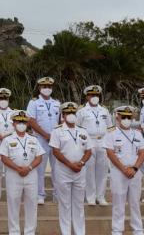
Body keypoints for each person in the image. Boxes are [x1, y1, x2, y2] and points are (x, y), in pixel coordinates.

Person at [0, 110, 45, 235]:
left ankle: (30, 232)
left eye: (24, 122)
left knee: (32, 204)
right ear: (13, 123)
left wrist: (28, 168)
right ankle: (14, 232)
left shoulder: (33, 139)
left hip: (31, 175)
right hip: (13, 175)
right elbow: (4, 157)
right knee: (13, 204)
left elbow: (39, 157)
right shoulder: (7, 139)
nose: (21, 124)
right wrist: (18, 168)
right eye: (19, 121)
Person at [49, 101, 92, 235]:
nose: (71, 115)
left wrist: (82, 163)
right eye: (68, 113)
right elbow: (55, 151)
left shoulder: (83, 131)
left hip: (80, 171)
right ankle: (66, 232)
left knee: (79, 204)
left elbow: (89, 150)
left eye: (73, 112)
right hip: (63, 171)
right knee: (65, 205)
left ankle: (80, 232)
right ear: (63, 115)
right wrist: (70, 164)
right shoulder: (57, 131)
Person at [104, 106, 144, 235]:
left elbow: (142, 153)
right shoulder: (111, 133)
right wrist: (124, 169)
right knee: (118, 202)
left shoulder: (137, 134)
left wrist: (134, 168)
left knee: (135, 202)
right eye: (124, 117)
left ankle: (138, 229)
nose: (126, 119)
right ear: (117, 117)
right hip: (118, 172)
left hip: (135, 172)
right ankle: (117, 230)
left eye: (129, 117)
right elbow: (110, 153)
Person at [25, 76, 61, 204]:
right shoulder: (33, 102)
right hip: (40, 139)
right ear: (40, 88)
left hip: (56, 140)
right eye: (44, 87)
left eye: (49, 87)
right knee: (40, 168)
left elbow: (61, 121)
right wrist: (45, 135)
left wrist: (56, 136)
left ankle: (58, 194)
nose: (47, 89)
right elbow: (31, 121)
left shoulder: (57, 103)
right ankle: (40, 194)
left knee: (58, 169)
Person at [77, 84, 112, 205]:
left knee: (102, 171)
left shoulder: (105, 110)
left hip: (103, 141)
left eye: (97, 95)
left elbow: (110, 127)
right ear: (87, 97)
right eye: (92, 95)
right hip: (89, 141)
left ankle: (100, 196)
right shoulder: (81, 111)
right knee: (89, 171)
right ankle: (91, 197)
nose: (95, 97)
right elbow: (78, 128)